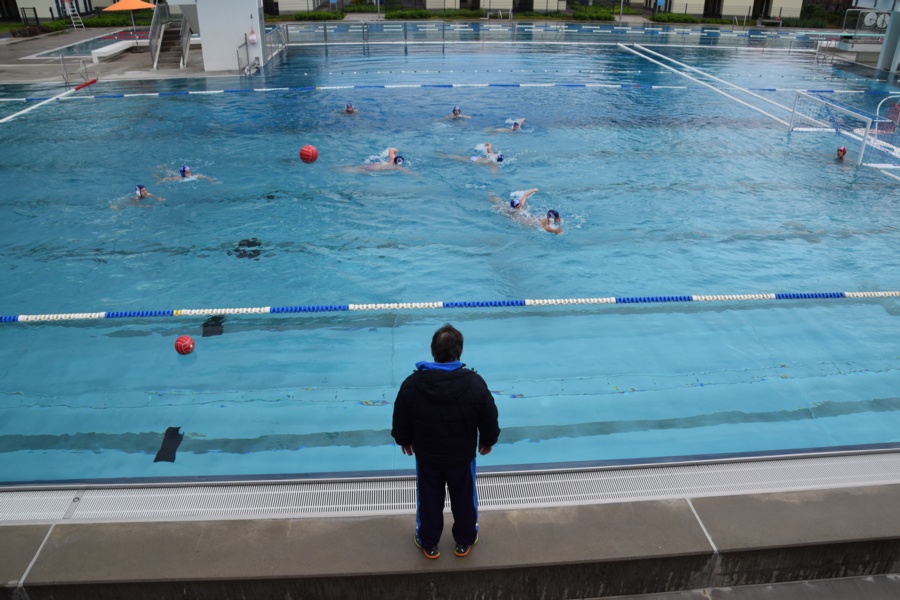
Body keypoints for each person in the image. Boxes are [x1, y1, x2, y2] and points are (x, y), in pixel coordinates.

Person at [391, 323, 500, 560]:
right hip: (462, 457)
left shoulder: (413, 384)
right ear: (459, 352)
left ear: (433, 351)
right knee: (464, 499)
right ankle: (464, 541)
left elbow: (400, 414)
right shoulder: (474, 383)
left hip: (428, 456)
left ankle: (429, 543)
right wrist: (488, 440)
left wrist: (403, 439)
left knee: (429, 500)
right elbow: (489, 414)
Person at [438, 143, 504, 172]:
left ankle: (442, 154)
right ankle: (442, 156)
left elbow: (489, 148)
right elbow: (494, 173)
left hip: (474, 158)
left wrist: (488, 144)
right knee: (455, 159)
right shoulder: (493, 164)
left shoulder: (492, 155)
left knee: (457, 157)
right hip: (473, 162)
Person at [340, 147, 410, 174]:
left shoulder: (392, 159)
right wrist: (413, 174)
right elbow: (407, 172)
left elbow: (391, 150)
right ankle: (339, 170)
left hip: (373, 165)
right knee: (353, 171)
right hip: (373, 169)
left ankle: (340, 168)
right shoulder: (397, 167)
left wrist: (396, 151)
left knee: (357, 167)